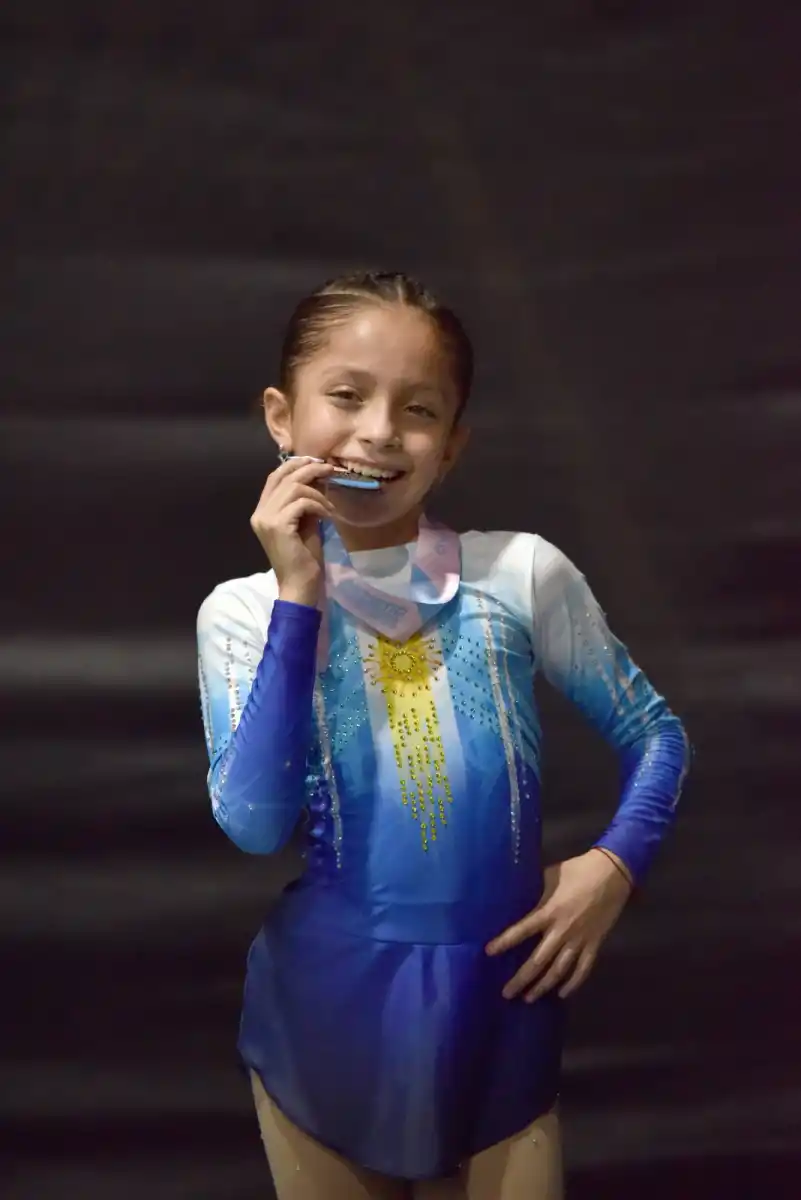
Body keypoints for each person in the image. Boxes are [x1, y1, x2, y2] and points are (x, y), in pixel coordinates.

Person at [196, 271, 690, 1199]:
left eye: (417, 409)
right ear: (280, 415)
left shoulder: (517, 573)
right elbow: (256, 826)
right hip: (327, 1009)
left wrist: (613, 865)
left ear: (452, 445)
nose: (379, 430)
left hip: (501, 1000)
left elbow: (656, 733)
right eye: (345, 397)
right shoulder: (241, 613)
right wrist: (300, 597)